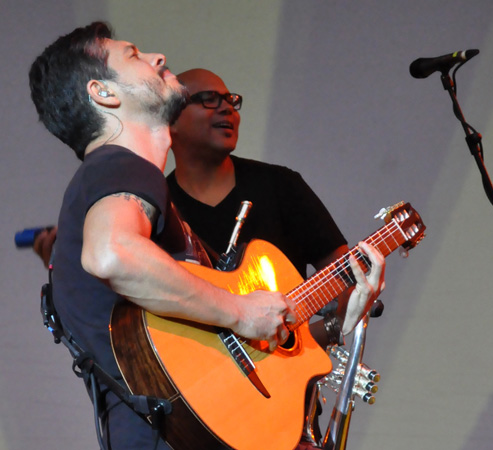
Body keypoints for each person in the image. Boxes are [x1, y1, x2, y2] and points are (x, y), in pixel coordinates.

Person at [29, 22, 385, 450]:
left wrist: (331, 323)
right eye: (134, 55)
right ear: (105, 94)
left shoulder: (126, 185)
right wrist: (239, 311)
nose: (158, 57)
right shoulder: (119, 165)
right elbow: (111, 253)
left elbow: (221, 361)